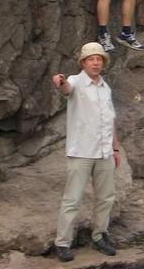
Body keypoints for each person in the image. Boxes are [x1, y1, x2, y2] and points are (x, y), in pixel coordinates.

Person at [52, 42, 121, 263]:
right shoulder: (75, 81)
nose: (96, 62)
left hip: (104, 151)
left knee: (106, 197)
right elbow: (65, 89)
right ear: (83, 62)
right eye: (91, 59)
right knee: (72, 199)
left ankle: (100, 236)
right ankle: (62, 243)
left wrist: (115, 148)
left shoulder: (105, 87)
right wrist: (60, 81)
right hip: (81, 151)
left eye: (99, 59)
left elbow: (111, 120)